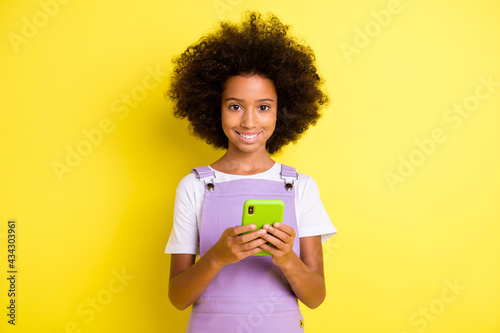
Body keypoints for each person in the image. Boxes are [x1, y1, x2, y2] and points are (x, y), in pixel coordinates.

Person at [165, 11, 337, 333]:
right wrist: (216, 257)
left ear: (281, 111)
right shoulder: (194, 186)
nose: (248, 121)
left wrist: (287, 258)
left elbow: (315, 297)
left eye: (263, 107)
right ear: (213, 108)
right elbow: (177, 297)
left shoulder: (300, 186)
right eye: (234, 106)